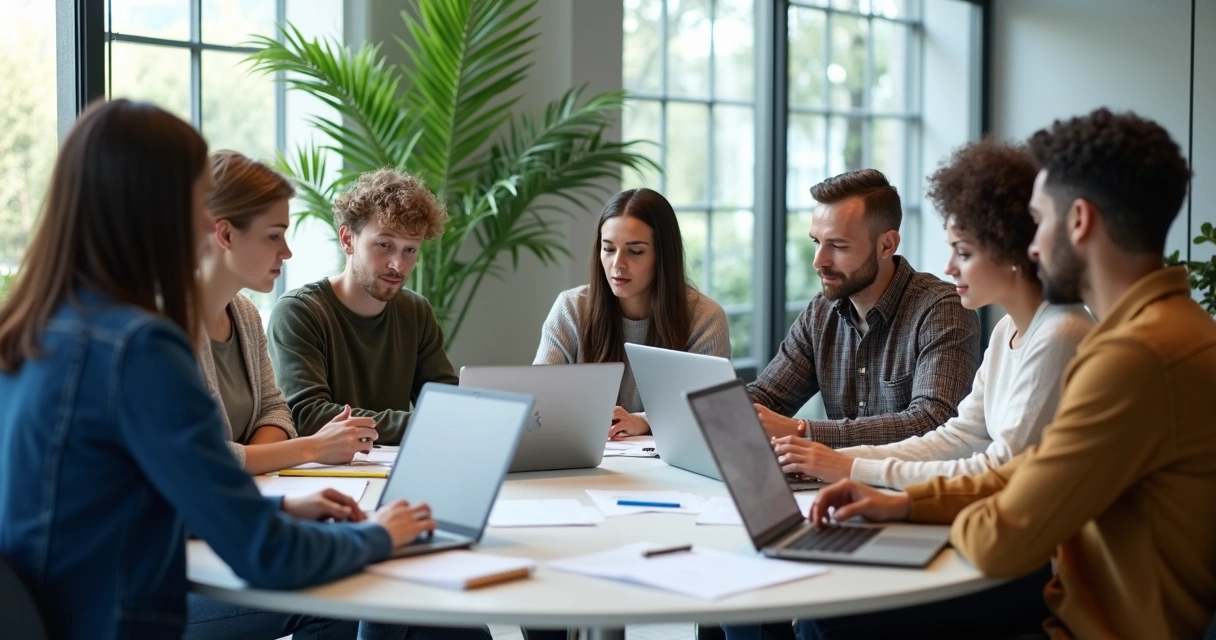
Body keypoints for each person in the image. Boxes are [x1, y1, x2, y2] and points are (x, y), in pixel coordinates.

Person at [0, 99, 434, 640]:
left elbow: (106, 506)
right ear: (159, 206)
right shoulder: (139, 347)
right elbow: (265, 556)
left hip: (53, 617)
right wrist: (379, 534)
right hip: (117, 619)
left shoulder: (34, 326)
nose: (210, 220)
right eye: (198, 195)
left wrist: (283, 510)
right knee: (378, 597)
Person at [808, 108, 1216, 639]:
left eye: (1039, 219)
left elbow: (1006, 532)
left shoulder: (1135, 356)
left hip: (1085, 627)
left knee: (836, 618)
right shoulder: (1163, 331)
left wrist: (909, 509)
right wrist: (907, 503)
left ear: (1079, 222)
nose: (1032, 242)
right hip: (1082, 609)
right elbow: (1022, 475)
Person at [770, 139, 1095, 489]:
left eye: (964, 253)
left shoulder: (1060, 332)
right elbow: (957, 439)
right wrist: (832, 461)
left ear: (1013, 250)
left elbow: (1003, 468)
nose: (949, 267)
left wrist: (846, 466)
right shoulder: (1007, 331)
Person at [747, 169, 982, 447]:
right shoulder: (819, 314)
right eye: (817, 242)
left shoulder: (941, 310)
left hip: (911, 488)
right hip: (833, 482)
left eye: (837, 245)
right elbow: (768, 396)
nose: (818, 261)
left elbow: (933, 421)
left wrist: (802, 430)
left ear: (886, 245)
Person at [195, 150, 379, 476]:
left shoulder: (245, 315)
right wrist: (313, 447)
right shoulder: (159, 326)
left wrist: (242, 464)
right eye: (274, 235)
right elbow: (196, 459)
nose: (287, 251)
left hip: (245, 497)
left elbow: (275, 410)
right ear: (225, 235)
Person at [267, 168, 456, 445]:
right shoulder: (299, 312)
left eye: (410, 250)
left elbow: (448, 404)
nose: (398, 264)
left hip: (390, 468)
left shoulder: (416, 311)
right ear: (347, 239)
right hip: (320, 476)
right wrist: (423, 424)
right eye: (384, 244)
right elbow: (309, 416)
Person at [534, 187, 730, 439]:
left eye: (635, 251)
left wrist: (643, 421)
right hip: (585, 460)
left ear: (663, 256)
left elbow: (709, 410)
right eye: (608, 249)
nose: (617, 264)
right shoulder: (571, 308)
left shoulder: (705, 318)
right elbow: (540, 397)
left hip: (667, 469)